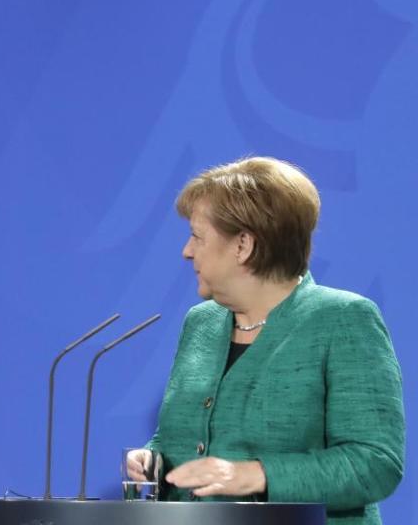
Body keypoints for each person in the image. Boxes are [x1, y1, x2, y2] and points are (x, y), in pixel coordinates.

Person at [127, 157, 404, 525]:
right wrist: (154, 460)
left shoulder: (343, 319)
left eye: (197, 236)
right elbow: (183, 437)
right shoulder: (201, 323)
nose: (187, 251)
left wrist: (254, 475)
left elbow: (375, 463)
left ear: (243, 245)